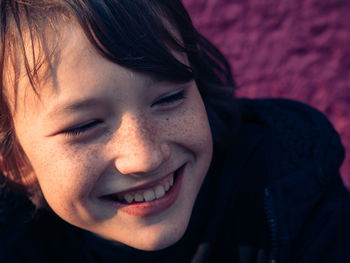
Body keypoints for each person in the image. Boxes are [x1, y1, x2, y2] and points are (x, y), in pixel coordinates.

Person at [0, 1, 349, 262]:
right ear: (16, 160)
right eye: (85, 125)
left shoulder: (288, 176)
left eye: (168, 98)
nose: (145, 157)